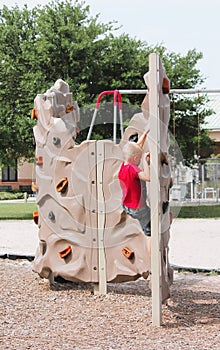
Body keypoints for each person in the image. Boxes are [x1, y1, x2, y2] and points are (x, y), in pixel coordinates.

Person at [118, 130, 151, 240]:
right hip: (138, 209)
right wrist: (146, 161)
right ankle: (151, 254)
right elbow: (147, 177)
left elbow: (135, 148)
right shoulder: (133, 169)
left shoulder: (124, 165)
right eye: (139, 158)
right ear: (136, 158)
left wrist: (145, 133)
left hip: (127, 206)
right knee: (151, 231)